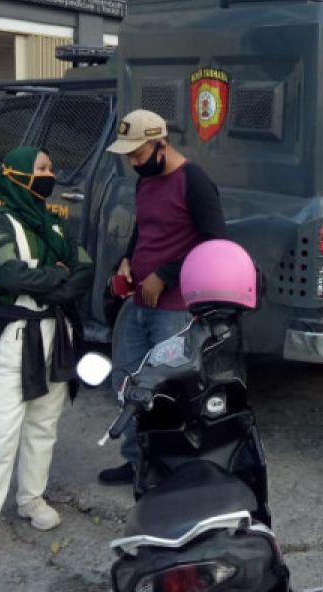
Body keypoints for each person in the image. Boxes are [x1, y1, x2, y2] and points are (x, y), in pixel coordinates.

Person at [0, 146, 93, 569]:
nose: (51, 174)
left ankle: (31, 498)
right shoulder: (0, 221)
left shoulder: (52, 221)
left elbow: (84, 267)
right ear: (15, 175)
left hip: (56, 333)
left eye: (51, 167)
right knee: (1, 433)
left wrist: (53, 283)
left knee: (43, 425)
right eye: (42, 169)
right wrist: (58, 277)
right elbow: (7, 273)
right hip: (15, 336)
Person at [97, 109, 229, 485]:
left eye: (138, 154)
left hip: (176, 310)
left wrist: (165, 275)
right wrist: (125, 262)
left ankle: (171, 470)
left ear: (161, 144)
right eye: (129, 156)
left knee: (168, 390)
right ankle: (138, 462)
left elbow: (214, 242)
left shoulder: (194, 181)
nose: (133, 162)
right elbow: (143, 232)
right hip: (138, 302)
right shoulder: (146, 182)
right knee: (126, 380)